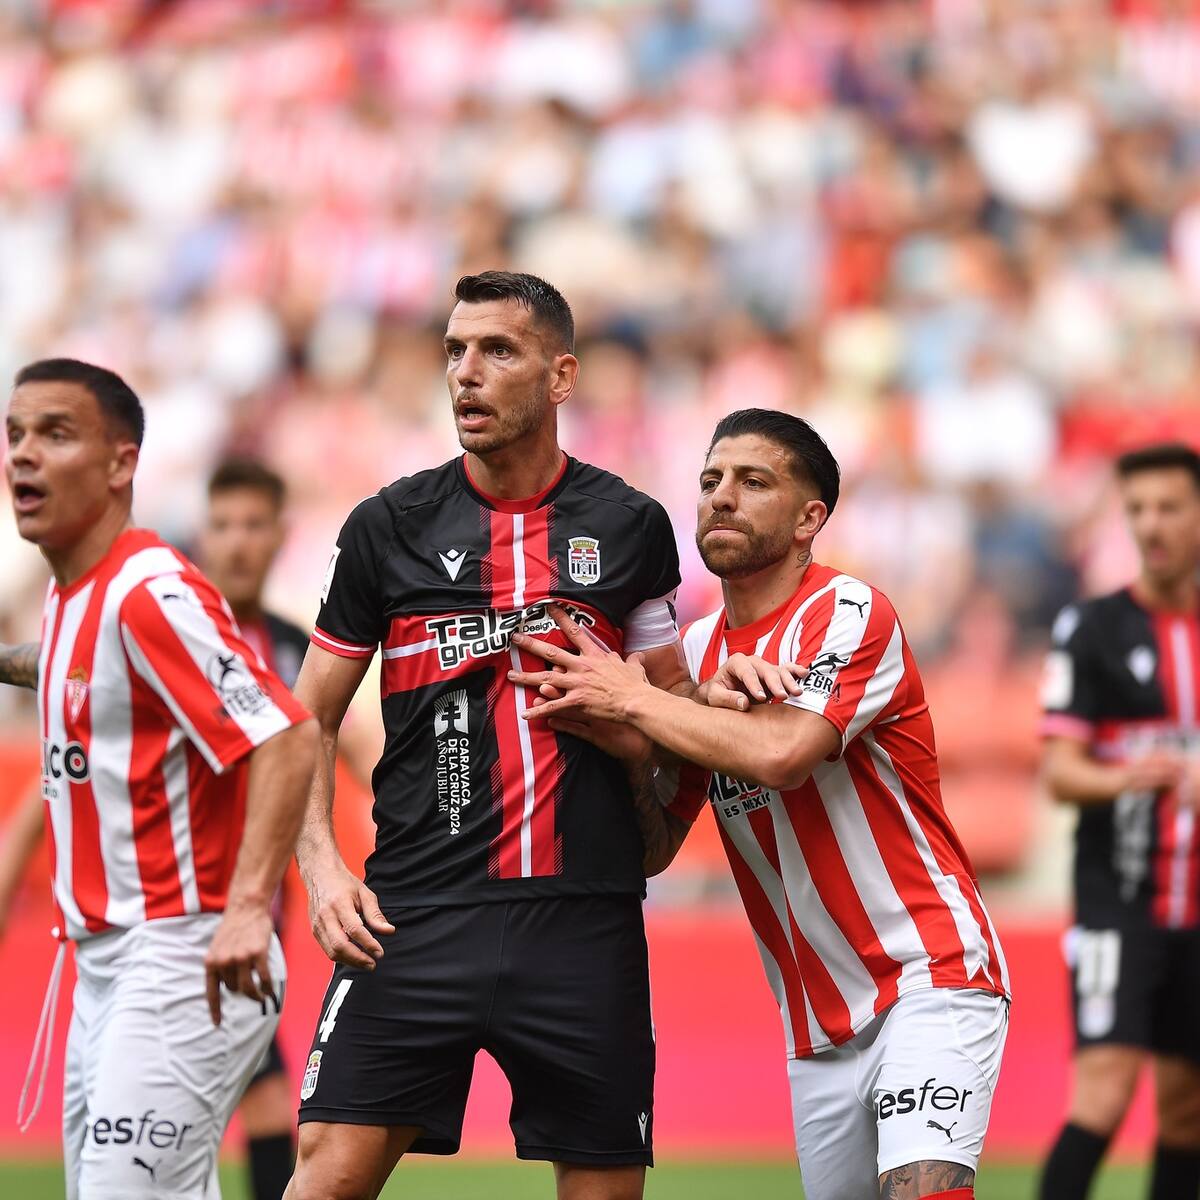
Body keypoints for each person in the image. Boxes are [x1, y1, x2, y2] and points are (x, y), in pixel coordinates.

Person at [282, 272, 778, 1200]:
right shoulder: (387, 527)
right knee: (324, 1181)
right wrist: (320, 867)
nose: (465, 372)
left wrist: (688, 738)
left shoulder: (629, 526)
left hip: (582, 920)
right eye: (454, 352)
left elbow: (671, 710)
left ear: (561, 377)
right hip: (413, 912)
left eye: (497, 350)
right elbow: (304, 715)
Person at [508, 408, 1012, 1200]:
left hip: (928, 975)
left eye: (753, 482)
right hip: (814, 1026)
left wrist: (636, 701)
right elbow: (655, 848)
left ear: (810, 518)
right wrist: (633, 748)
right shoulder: (696, 653)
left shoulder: (848, 611)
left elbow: (782, 755)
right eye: (711, 479)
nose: (721, 497)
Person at [0, 357, 317, 1199]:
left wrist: (248, 907)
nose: (24, 453)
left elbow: (289, 735)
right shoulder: (75, 595)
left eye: (55, 433)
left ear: (121, 464)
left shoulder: (149, 590)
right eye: (15, 434)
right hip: (108, 965)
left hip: (179, 955)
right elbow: (75, 667)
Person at [1038, 443, 1200, 1200]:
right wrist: (1133, 776)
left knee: (1187, 1110)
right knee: (1104, 1091)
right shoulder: (1093, 627)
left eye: (1169, 506)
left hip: (1196, 910)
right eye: (1137, 509)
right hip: (1119, 902)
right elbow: (1059, 773)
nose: (1151, 524)